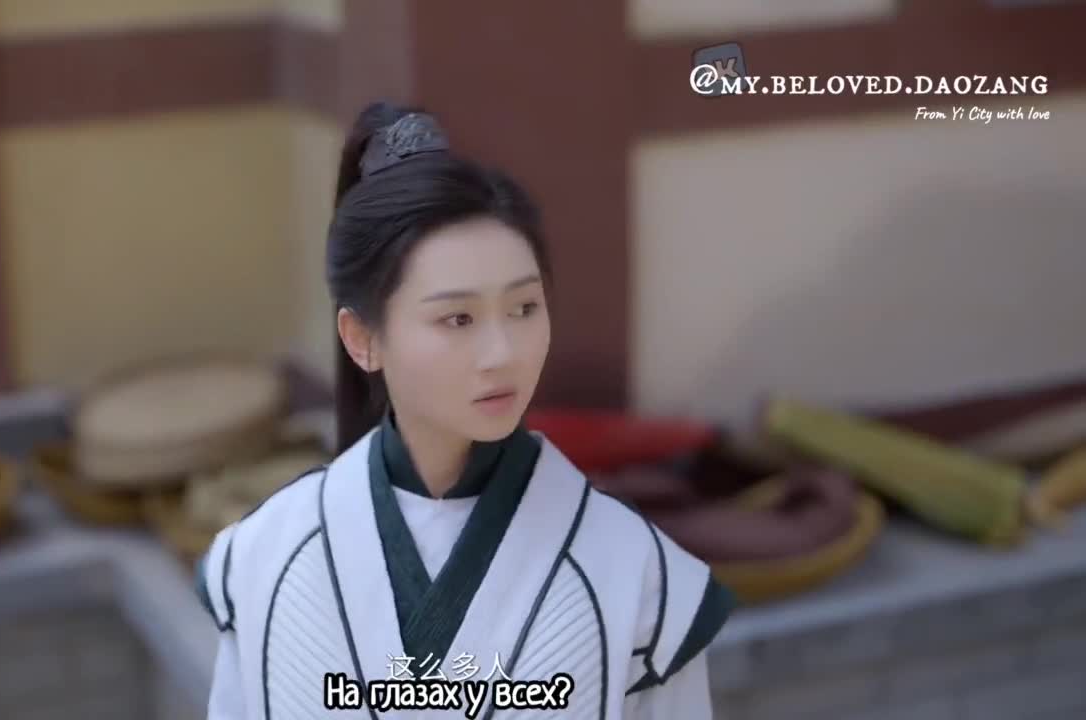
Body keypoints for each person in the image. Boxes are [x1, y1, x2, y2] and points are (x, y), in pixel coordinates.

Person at [196, 101, 735, 719]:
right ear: (362, 338)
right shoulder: (263, 559)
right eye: (458, 318)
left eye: (524, 308)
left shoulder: (638, 578)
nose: (502, 352)